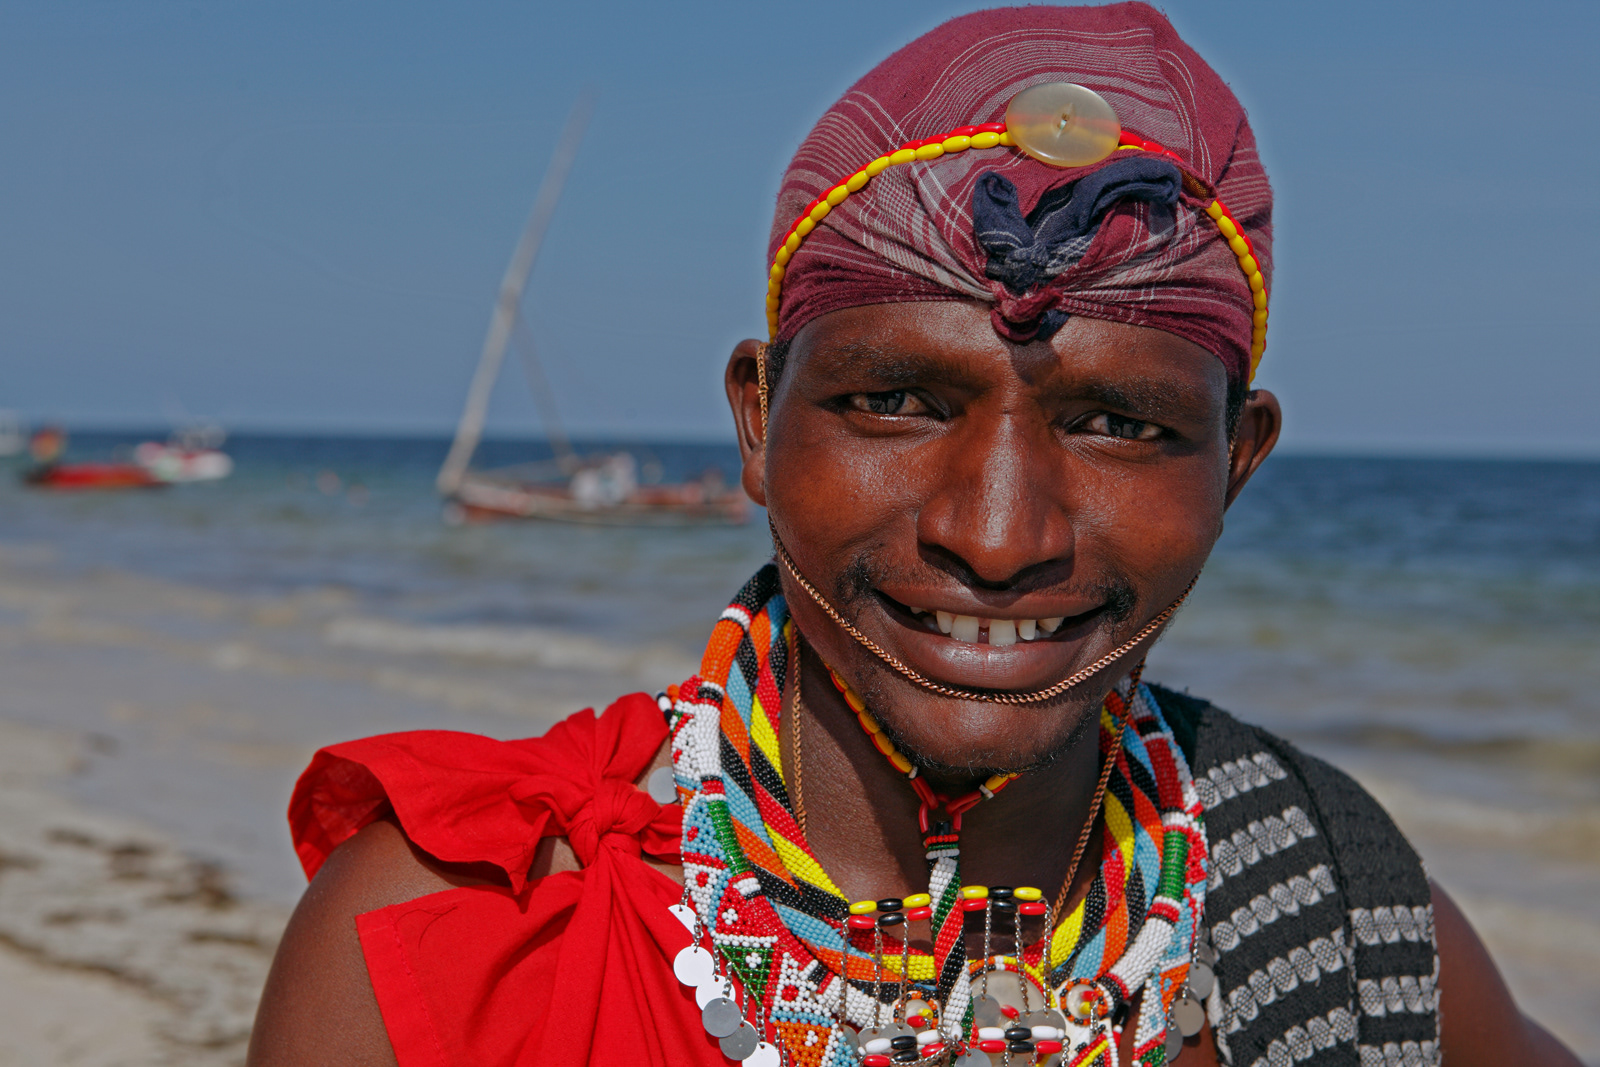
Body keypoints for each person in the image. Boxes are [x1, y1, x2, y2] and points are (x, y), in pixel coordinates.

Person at [246, 6, 1582, 1066]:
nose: (996, 536)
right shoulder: (452, 949)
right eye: (893, 403)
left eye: (1120, 423)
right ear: (760, 422)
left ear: (1237, 463)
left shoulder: (1326, 917)